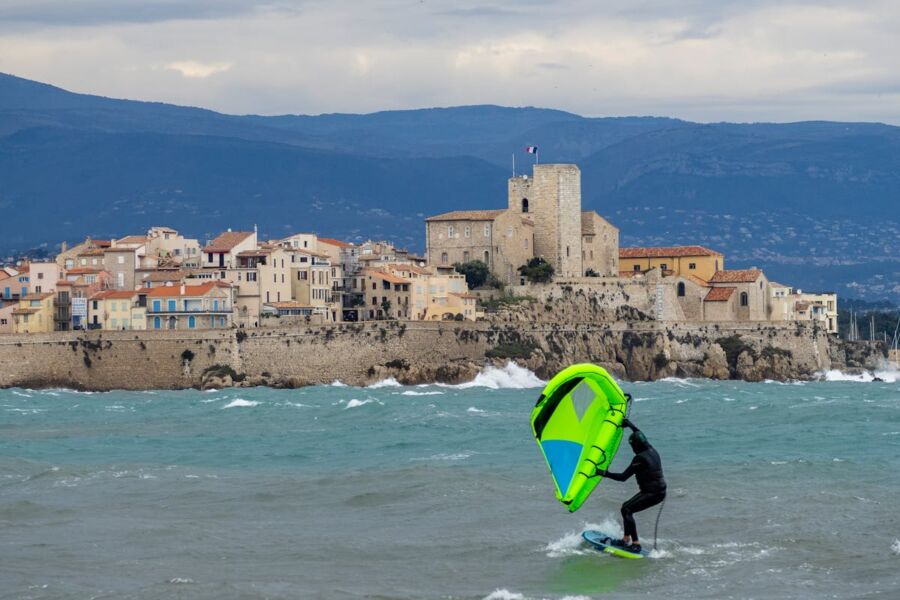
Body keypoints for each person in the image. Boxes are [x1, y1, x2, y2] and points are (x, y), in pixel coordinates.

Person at [595, 417, 666, 553]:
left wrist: (602, 473)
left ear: (636, 446)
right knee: (626, 508)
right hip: (659, 491)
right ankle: (626, 539)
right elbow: (640, 434)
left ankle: (636, 543)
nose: (632, 448)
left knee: (627, 509)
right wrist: (629, 425)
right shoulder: (651, 449)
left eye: (632, 446)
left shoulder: (639, 459)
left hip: (652, 493)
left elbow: (622, 477)